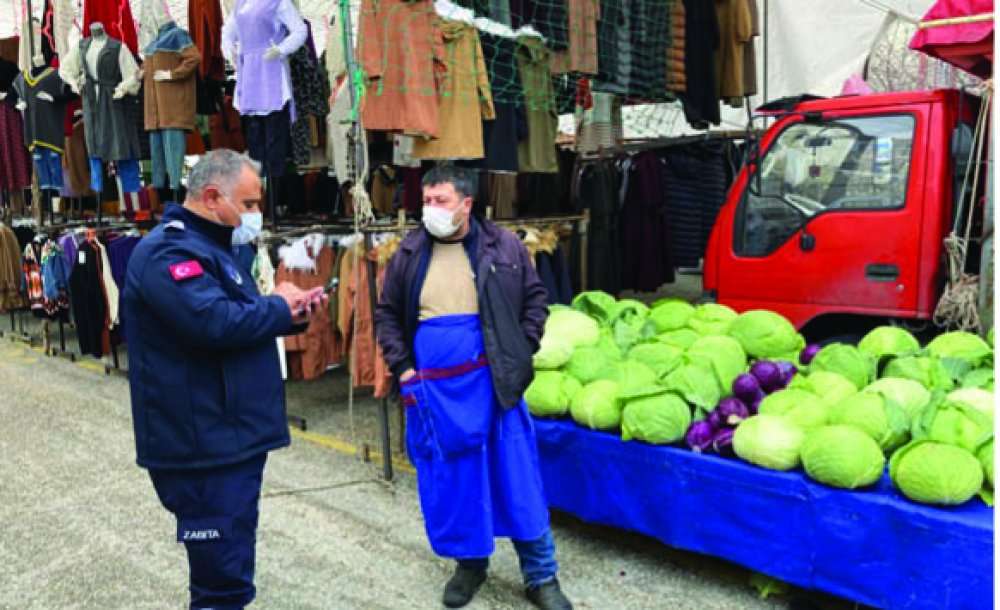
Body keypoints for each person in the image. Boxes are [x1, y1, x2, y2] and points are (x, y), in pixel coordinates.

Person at [122, 149, 325, 610]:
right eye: (250, 204)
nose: (255, 215)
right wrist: (277, 307)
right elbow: (212, 322)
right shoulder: (166, 252)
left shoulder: (218, 248)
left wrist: (290, 314)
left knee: (232, 567)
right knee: (220, 584)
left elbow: (239, 319)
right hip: (202, 447)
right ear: (212, 196)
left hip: (230, 437)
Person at [375, 165, 573, 610]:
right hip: (436, 395)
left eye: (440, 201)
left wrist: (521, 350)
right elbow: (387, 314)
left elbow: (536, 300)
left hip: (496, 385)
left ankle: (541, 575)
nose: (430, 210)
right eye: (426, 201)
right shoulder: (408, 252)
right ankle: (471, 565)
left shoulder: (502, 246)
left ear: (466, 204)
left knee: (516, 478)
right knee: (457, 480)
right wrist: (403, 368)